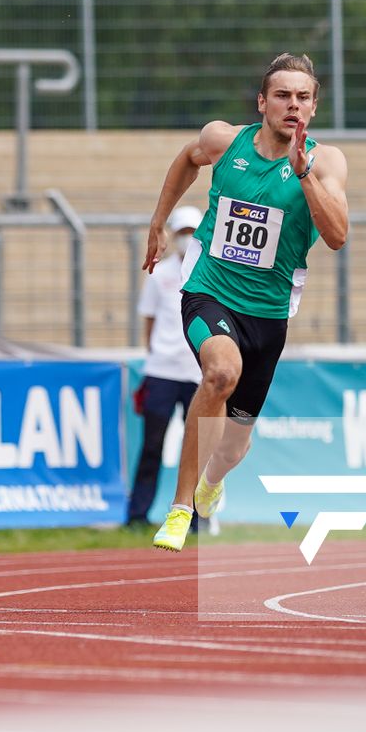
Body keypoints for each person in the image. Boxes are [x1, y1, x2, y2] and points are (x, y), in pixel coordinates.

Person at [140, 53, 349, 553]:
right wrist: (157, 221)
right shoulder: (223, 140)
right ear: (262, 103)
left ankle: (213, 480)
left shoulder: (328, 162)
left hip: (269, 312)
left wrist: (304, 175)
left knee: (236, 442)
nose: (292, 105)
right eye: (282, 95)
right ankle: (180, 508)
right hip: (208, 289)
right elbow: (186, 160)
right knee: (218, 373)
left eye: (302, 97)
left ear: (314, 108)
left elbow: (337, 235)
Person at [126, 204, 205, 527]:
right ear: (173, 235)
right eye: (182, 232)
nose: (187, 238)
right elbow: (150, 321)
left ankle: (198, 515)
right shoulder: (159, 273)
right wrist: (155, 355)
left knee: (199, 448)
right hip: (162, 371)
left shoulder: (210, 271)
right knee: (152, 446)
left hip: (199, 373)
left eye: (192, 232)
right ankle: (137, 514)